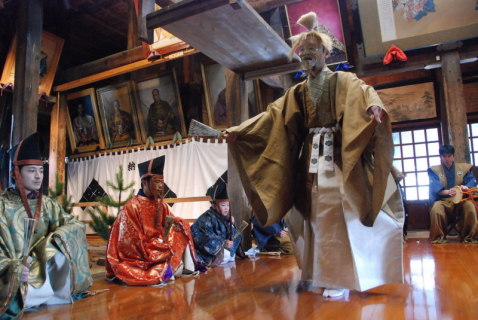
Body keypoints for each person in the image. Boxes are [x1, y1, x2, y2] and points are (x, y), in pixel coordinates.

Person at [222, 12, 404, 297]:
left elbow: (363, 91)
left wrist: (373, 107)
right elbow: (272, 117)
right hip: (310, 162)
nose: (306, 55)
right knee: (315, 218)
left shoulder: (343, 80)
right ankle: (322, 273)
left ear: (325, 52)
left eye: (312, 50)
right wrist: (239, 131)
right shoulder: (297, 92)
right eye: (302, 52)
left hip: (340, 161)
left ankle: (343, 277)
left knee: (342, 214)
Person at [0, 133, 92, 319]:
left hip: (44, 268)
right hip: (16, 275)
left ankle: (48, 292)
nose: (38, 177)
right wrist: (14, 268)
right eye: (31, 171)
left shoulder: (49, 204)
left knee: (60, 249)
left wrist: (53, 241)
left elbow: (74, 225)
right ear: (15, 173)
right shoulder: (2, 205)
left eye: (41, 171)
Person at [106, 156, 197, 286]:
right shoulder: (132, 206)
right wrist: (156, 245)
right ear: (144, 183)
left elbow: (169, 224)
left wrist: (174, 227)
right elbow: (130, 245)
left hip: (160, 246)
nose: (161, 186)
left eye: (162, 182)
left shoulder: (161, 204)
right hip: (142, 253)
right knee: (150, 271)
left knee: (182, 227)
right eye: (156, 182)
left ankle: (180, 269)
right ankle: (168, 270)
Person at [428, 144, 478, 244]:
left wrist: (466, 187)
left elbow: (472, 180)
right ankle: (439, 237)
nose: (447, 159)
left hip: (461, 199)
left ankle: (469, 237)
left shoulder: (463, 168)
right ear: (441, 157)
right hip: (443, 200)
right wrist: (446, 192)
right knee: (436, 209)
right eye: (444, 156)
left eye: (449, 156)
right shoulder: (434, 170)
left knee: (470, 207)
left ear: (453, 156)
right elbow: (434, 186)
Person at [191, 173, 242, 267]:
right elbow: (205, 238)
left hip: (223, 251)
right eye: (223, 205)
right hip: (203, 253)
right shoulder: (206, 219)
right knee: (226, 256)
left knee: (231, 256)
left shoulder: (224, 217)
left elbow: (232, 236)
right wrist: (223, 243)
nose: (226, 208)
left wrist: (231, 225)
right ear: (214, 205)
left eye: (227, 205)